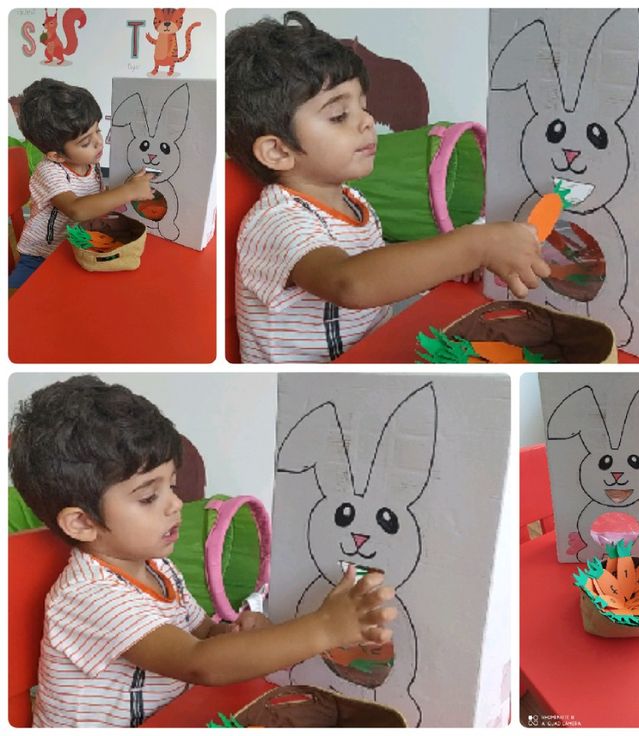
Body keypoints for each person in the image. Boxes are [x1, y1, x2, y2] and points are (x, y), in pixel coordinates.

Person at [9, 376, 396, 728]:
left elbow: (202, 635)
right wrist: (326, 626)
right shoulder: (89, 595)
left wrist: (236, 634)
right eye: (148, 497)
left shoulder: (157, 567)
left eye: (172, 486)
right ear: (81, 523)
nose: (175, 505)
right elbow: (199, 663)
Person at [225, 11, 551, 362]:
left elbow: (383, 270)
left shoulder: (353, 201)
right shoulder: (278, 221)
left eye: (363, 107)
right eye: (339, 116)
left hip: (371, 357)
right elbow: (350, 283)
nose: (366, 122)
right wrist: (474, 246)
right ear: (278, 151)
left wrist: (450, 264)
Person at [9, 78, 155, 290]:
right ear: (57, 156)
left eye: (98, 130)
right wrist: (129, 191)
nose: (98, 142)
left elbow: (95, 199)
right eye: (85, 142)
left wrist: (125, 188)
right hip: (41, 256)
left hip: (75, 246)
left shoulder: (89, 162)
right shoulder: (50, 171)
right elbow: (76, 209)